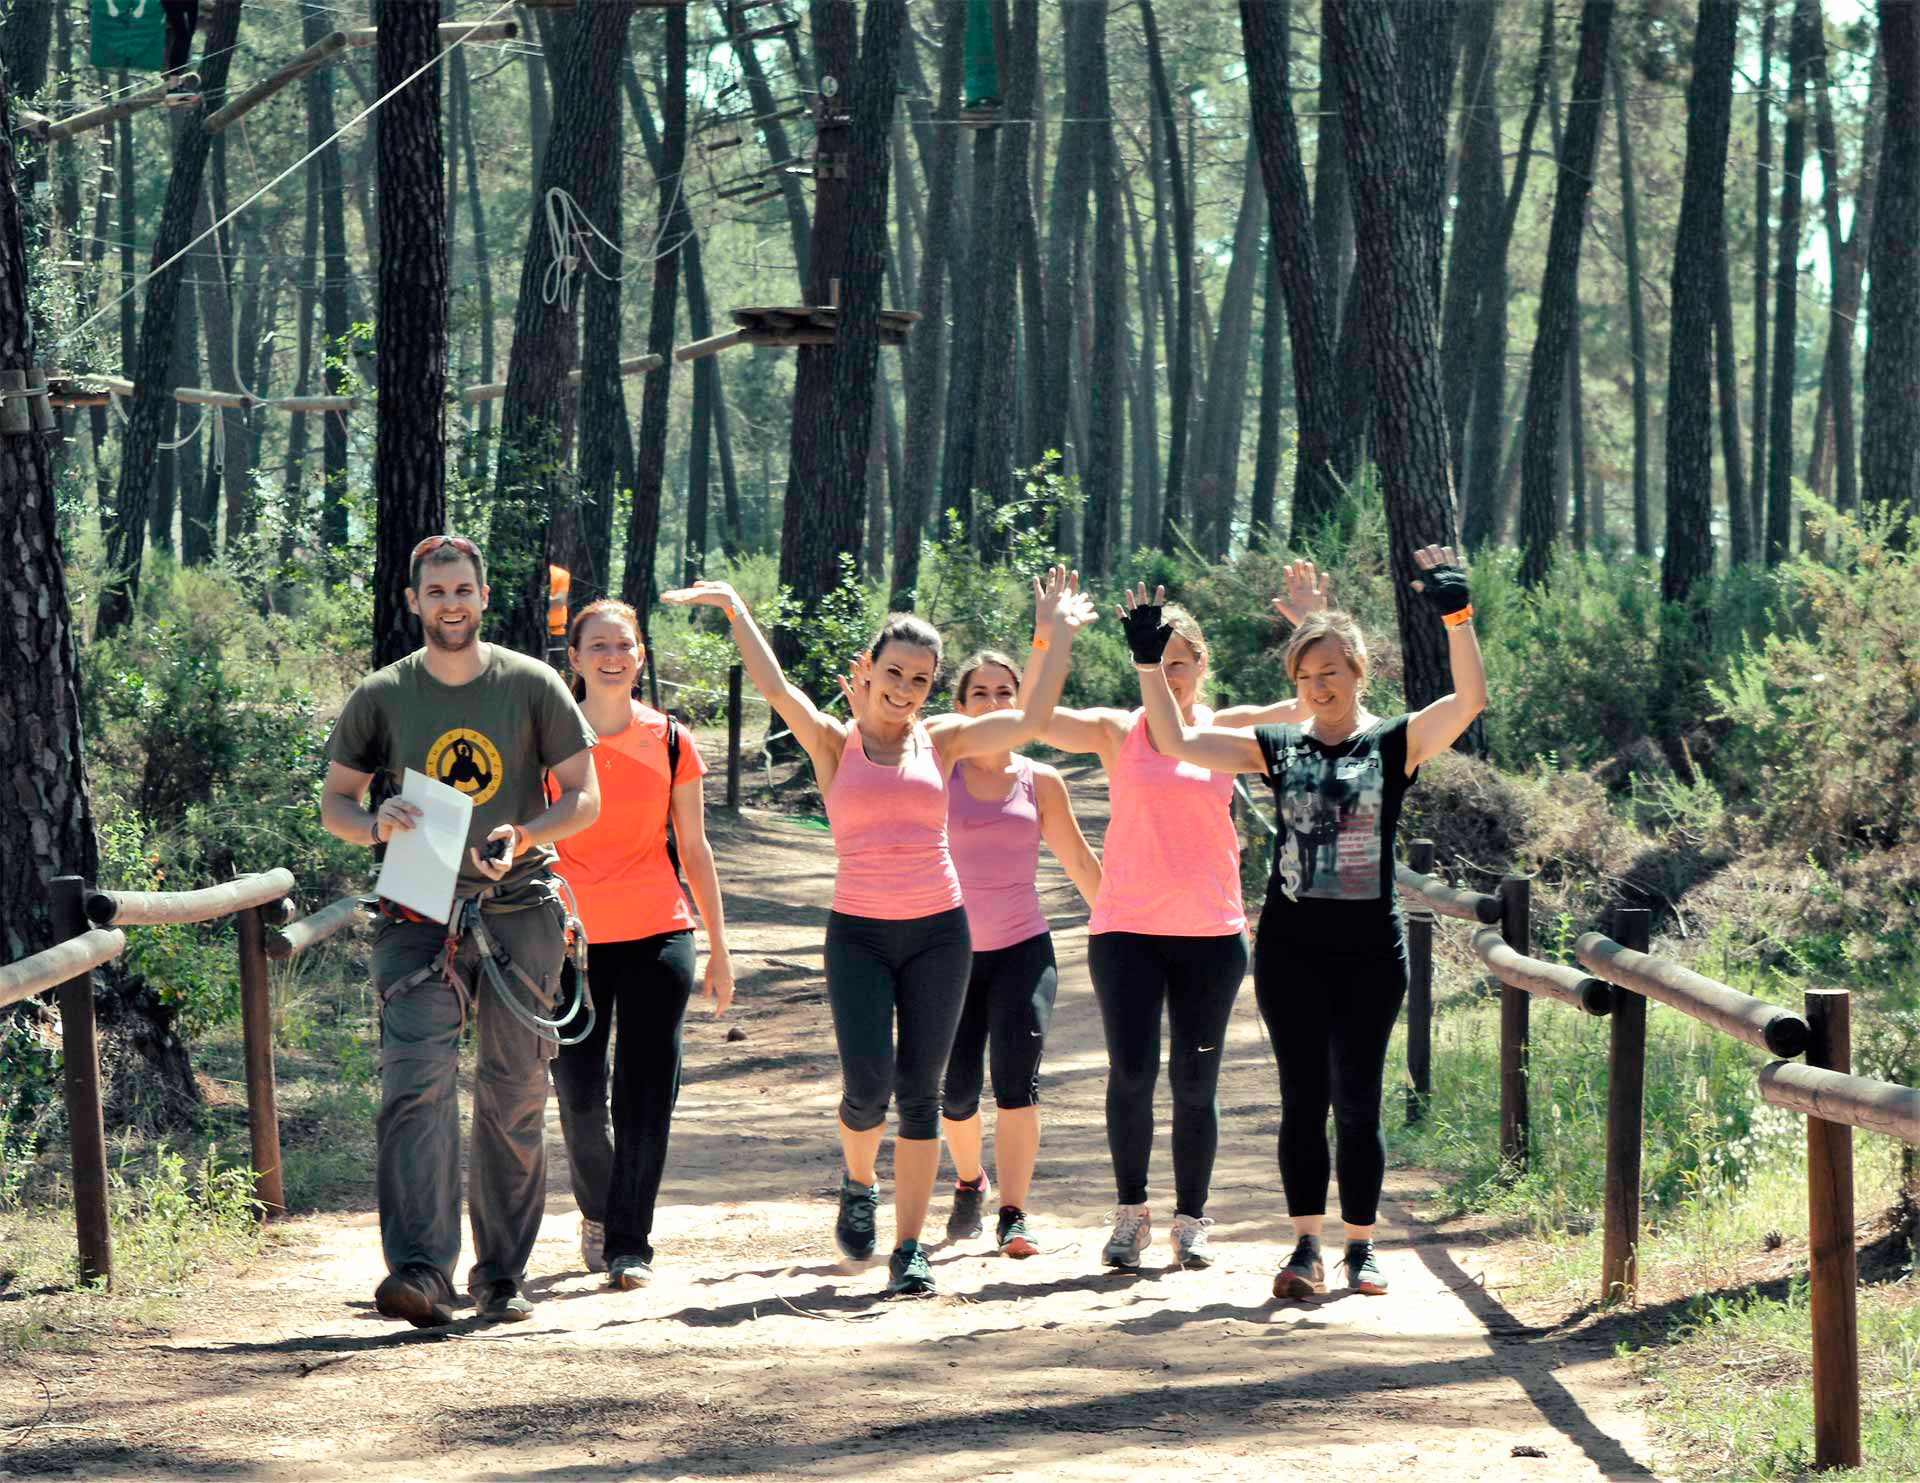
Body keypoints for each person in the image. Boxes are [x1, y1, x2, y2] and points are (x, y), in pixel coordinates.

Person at [661, 570, 1096, 1296]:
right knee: (867, 1088)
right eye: (893, 672)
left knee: (920, 1092)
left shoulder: (945, 739)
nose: (905, 689)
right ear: (867, 671)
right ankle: (858, 1183)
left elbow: (1030, 719)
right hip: (859, 935)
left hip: (939, 934)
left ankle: (908, 1247)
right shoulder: (834, 743)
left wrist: (1055, 635)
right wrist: (737, 607)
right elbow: (774, 687)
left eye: (921, 679)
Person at [1123, 546, 1486, 1300]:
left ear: (1357, 671)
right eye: (1304, 678)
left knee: (1358, 1097)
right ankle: (1304, 1248)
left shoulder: (1394, 742)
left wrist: (1458, 619)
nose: (1317, 688)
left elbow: (1469, 701)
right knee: (1304, 1099)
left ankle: (1361, 1248)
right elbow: (1177, 740)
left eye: (1329, 673)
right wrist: (1149, 665)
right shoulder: (1276, 748)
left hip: (1370, 950)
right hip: (1292, 950)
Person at [320, 535, 601, 1327]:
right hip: (416, 913)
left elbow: (585, 793)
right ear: (413, 601)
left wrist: (529, 830)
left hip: (520, 907)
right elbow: (335, 803)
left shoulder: (533, 684)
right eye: (436, 591)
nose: (451, 603)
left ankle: (502, 1274)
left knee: (514, 1093)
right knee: (415, 1085)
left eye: (463, 589)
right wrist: (373, 822)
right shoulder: (382, 694)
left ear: (483, 597)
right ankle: (419, 1270)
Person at [1018, 568, 1328, 1271]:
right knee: (1130, 1073)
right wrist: (1051, 635)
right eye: (1158, 660)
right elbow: (1034, 719)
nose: (1170, 674)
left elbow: (1316, 707)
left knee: (1195, 1083)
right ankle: (1131, 1215)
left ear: (1201, 665)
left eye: (1181, 662)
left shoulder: (1230, 728)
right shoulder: (1114, 730)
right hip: (1126, 930)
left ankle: (1191, 1220)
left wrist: (1315, 619)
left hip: (1212, 936)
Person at [547, 599, 736, 1291]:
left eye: (623, 643)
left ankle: (632, 1242)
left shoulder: (672, 739)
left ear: (641, 654)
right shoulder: (549, 733)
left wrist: (719, 947)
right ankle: (599, 1210)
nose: (612, 655)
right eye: (597, 644)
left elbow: (693, 845)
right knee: (577, 1092)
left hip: (660, 929)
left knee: (647, 1093)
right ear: (575, 657)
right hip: (568, 937)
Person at [938, 650, 1102, 1258]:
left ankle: (1013, 1213)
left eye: (1006, 692)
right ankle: (969, 1180)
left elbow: (1080, 862)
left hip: (1023, 948)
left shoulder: (1042, 782)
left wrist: (1123, 926)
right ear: (959, 708)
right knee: (954, 1093)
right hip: (948, 955)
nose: (993, 704)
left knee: (1016, 1082)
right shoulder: (939, 772)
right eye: (979, 693)